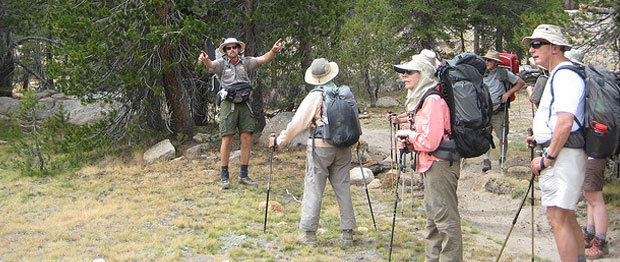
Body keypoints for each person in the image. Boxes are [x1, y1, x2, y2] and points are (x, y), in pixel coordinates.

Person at [268, 58, 356, 245]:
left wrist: (279, 140)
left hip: (321, 146)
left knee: (314, 187)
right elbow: (354, 120)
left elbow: (297, 124)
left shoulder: (315, 96)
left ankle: (308, 233)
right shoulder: (345, 93)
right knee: (343, 188)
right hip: (344, 147)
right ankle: (348, 233)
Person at [524, 24, 588, 262]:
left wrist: (548, 157)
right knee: (566, 215)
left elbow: (565, 122)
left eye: (538, 44)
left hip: (563, 155)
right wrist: (540, 138)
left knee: (557, 216)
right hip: (563, 151)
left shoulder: (564, 76)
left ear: (556, 47)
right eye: (531, 45)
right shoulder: (560, 75)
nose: (532, 50)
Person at [393, 50, 463, 262]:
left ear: (423, 73)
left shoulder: (432, 100)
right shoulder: (425, 98)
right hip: (432, 164)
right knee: (432, 219)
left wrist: (410, 136)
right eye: (403, 72)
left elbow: (431, 141)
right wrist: (411, 140)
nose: (404, 76)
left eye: (409, 72)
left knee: (445, 219)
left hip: (440, 165)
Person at [199, 37, 283, 189]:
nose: (232, 50)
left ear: (239, 49)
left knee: (246, 138)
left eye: (234, 47)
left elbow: (263, 59)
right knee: (227, 138)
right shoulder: (221, 64)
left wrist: (274, 50)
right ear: (225, 51)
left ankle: (243, 175)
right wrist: (205, 60)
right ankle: (224, 176)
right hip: (228, 105)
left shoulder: (246, 62)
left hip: (245, 104)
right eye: (228, 48)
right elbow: (210, 64)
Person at [480, 50, 526, 172]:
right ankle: (486, 159)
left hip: (499, 110)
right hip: (485, 110)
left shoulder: (503, 73)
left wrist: (508, 93)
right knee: (485, 135)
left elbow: (520, 83)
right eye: (486, 60)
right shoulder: (482, 73)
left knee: (502, 136)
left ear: (496, 62)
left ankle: (502, 157)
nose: (486, 62)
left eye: (489, 60)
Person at [582, 158, 610, 259]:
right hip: (591, 152)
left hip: (595, 152)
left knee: (594, 195)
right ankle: (590, 235)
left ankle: (600, 243)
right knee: (589, 193)